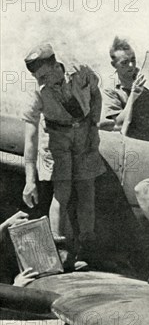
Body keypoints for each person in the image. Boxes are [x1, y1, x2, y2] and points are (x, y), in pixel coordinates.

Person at [22, 43, 105, 270]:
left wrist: (95, 124)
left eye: (43, 76)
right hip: (56, 136)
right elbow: (30, 136)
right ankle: (60, 252)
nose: (41, 82)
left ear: (55, 67)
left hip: (85, 133)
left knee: (87, 189)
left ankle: (86, 250)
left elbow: (96, 94)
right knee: (63, 191)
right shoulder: (36, 92)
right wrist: (30, 181)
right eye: (37, 78)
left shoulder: (80, 71)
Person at [100, 36, 147, 132]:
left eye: (133, 60)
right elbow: (119, 123)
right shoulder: (110, 88)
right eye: (124, 62)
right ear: (114, 65)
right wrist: (133, 95)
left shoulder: (145, 76)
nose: (131, 65)